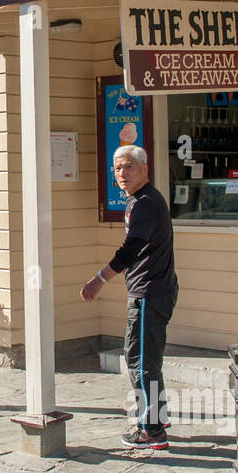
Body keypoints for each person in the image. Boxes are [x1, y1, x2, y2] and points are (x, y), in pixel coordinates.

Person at [80, 145, 178, 450]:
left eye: (129, 167)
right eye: (118, 168)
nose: (122, 173)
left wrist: (99, 280)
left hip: (150, 292)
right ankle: (157, 417)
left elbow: (131, 248)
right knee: (146, 360)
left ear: (144, 169)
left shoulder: (146, 202)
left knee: (139, 361)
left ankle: (151, 430)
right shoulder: (137, 200)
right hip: (150, 290)